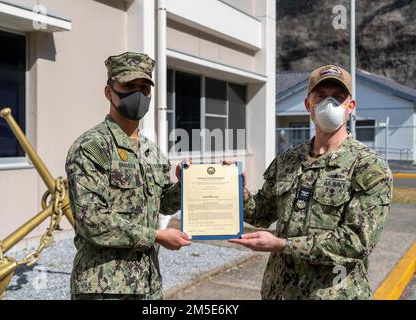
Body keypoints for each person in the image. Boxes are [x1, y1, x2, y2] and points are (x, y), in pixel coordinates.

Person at [228, 65, 393, 300]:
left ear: (350, 107)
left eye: (338, 98)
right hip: (279, 292)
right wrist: (239, 193)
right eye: (321, 96)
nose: (330, 104)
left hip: (334, 294)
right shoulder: (287, 161)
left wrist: (283, 245)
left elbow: (357, 241)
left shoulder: (369, 167)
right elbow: (262, 214)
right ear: (309, 105)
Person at [65, 52, 191, 300]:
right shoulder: (92, 148)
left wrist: (185, 185)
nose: (138, 94)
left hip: (148, 284)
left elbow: (162, 203)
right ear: (108, 91)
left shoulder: (150, 149)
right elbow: (92, 221)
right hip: (105, 287)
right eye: (128, 86)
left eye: (144, 88)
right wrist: (155, 236)